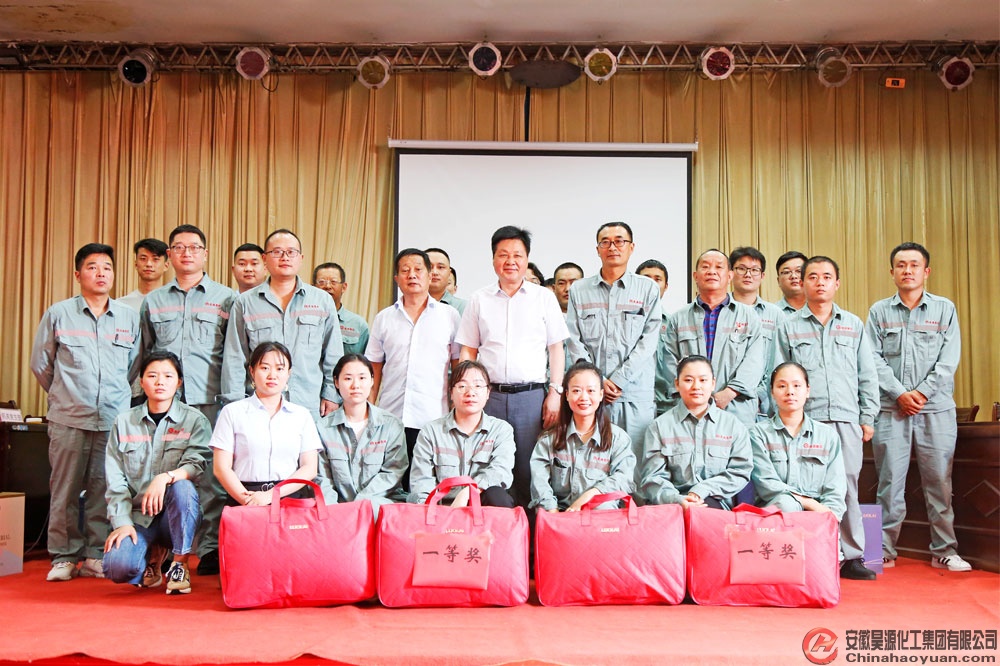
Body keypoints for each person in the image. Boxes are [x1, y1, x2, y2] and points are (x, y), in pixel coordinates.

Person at [30, 243, 141, 582]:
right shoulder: (59, 313)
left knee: (103, 488)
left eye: (107, 267)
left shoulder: (128, 317)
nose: (101, 273)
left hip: (111, 419)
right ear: (78, 274)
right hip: (69, 418)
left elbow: (134, 366)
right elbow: (41, 364)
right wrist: (65, 395)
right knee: (64, 489)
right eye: (92, 267)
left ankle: (94, 554)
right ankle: (64, 556)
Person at [866, 242, 970, 572]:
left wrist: (921, 394)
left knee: (939, 483)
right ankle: (880, 551)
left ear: (926, 271)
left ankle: (945, 550)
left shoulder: (944, 309)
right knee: (888, 483)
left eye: (914, 265)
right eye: (901, 265)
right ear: (892, 272)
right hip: (891, 410)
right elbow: (872, 359)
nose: (907, 270)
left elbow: (948, 361)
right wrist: (900, 394)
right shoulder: (878, 312)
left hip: (935, 410)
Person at [139, 224, 236, 576]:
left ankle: (208, 548)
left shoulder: (227, 299)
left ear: (205, 254)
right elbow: (144, 353)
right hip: (165, 404)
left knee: (209, 478)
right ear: (170, 255)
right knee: (163, 471)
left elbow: (233, 352)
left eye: (194, 247)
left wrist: (232, 400)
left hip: (210, 400)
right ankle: (165, 544)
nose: (187, 253)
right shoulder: (154, 301)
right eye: (179, 247)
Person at [774, 255, 879, 581]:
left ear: (837, 283)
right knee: (803, 487)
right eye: (813, 276)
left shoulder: (853, 324)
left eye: (827, 277)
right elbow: (777, 374)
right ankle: (810, 554)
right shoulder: (788, 326)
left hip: (846, 420)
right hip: (805, 421)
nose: (820, 282)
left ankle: (852, 556)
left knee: (846, 487)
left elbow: (867, 373)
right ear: (803, 282)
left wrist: (867, 416)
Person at [456, 226, 569, 508]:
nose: (510, 261)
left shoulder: (543, 298)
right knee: (487, 465)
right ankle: (497, 525)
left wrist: (555, 392)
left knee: (530, 468)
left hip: (531, 397)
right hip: (489, 397)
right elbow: (468, 349)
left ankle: (530, 529)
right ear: (493, 259)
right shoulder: (479, 299)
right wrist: (466, 390)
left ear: (527, 258)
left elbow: (556, 348)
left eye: (517, 255)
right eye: (503, 254)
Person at [103, 351, 211, 595]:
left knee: (183, 486)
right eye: (152, 376)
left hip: (177, 515)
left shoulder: (195, 420)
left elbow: (196, 464)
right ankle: (153, 556)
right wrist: (121, 523)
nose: (160, 382)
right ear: (141, 382)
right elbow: (115, 480)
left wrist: (165, 477)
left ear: (179, 382)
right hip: (138, 516)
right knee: (117, 567)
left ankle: (179, 564)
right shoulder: (124, 422)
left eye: (168, 376)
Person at [222, 228, 344, 418]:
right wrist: (235, 404)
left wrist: (332, 395)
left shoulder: (322, 300)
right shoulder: (245, 303)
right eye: (277, 252)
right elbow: (235, 357)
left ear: (301, 258)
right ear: (265, 258)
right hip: (259, 406)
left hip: (309, 405)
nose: (285, 257)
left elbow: (333, 353)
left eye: (291, 252)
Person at [365, 249, 460, 491]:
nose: (412, 275)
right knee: (389, 486)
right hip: (390, 416)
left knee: (425, 487)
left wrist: (456, 410)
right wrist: (368, 411)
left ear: (429, 276)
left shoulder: (449, 316)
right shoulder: (384, 318)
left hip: (432, 417)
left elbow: (458, 368)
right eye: (405, 270)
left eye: (418, 270)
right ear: (397, 278)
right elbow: (373, 370)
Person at [566, 222, 661, 457]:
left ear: (631, 247)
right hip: (591, 396)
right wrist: (597, 381)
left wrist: (618, 380)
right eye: (605, 242)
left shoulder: (648, 289)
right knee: (592, 459)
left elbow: (648, 341)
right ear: (597, 249)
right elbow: (574, 340)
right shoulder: (579, 290)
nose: (613, 247)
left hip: (634, 394)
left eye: (619, 241)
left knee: (636, 462)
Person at [662, 249, 766, 426]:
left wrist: (729, 393)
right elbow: (669, 363)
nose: (712, 271)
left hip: (736, 408)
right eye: (705, 267)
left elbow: (754, 363)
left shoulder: (749, 317)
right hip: (689, 407)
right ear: (695, 276)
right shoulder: (678, 318)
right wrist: (694, 396)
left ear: (730, 275)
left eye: (719, 267)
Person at [212, 342, 321, 507]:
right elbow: (221, 468)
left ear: (289, 373)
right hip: (244, 498)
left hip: (289, 499)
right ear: (252, 371)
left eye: (280, 369)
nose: (272, 375)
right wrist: (250, 502)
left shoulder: (301, 415)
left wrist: (270, 496)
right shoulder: (232, 412)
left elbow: (310, 467)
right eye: (265, 368)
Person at [640, 355, 752, 509]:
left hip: (715, 503)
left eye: (703, 380)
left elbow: (740, 471)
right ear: (677, 384)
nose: (696, 386)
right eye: (688, 380)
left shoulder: (733, 426)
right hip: (671, 506)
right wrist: (677, 499)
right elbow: (653, 478)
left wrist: (702, 490)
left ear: (713, 383)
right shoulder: (659, 427)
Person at [530, 361, 635, 513]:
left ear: (601, 395)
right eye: (577, 390)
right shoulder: (548, 440)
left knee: (603, 506)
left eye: (591, 391)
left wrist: (591, 495)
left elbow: (624, 478)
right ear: (567, 395)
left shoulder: (618, 439)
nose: (584, 397)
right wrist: (554, 513)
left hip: (600, 517)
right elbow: (539, 484)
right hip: (560, 515)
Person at [408, 360, 515, 507]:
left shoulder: (501, 430)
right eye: (462, 386)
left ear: (488, 393)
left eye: (478, 386)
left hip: (481, 508)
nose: (470, 393)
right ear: (451, 393)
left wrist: (467, 492)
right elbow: (421, 482)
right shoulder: (431, 432)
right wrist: (432, 511)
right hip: (441, 510)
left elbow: (500, 472)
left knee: (497, 495)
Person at [749, 362, 846, 519]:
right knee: (786, 504)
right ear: (772, 392)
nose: (790, 392)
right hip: (774, 518)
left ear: (807, 390)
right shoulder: (758, 434)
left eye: (797, 386)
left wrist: (828, 516)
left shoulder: (827, 436)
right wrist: (807, 502)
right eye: (782, 386)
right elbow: (766, 483)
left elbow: (835, 489)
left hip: (816, 518)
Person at [316, 354, 407, 513]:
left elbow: (392, 473)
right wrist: (334, 514)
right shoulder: (323, 428)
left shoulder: (391, 426)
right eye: (348, 378)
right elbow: (323, 479)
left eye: (362, 378)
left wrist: (359, 506)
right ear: (336, 382)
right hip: (337, 512)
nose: (355, 385)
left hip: (380, 510)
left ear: (372, 381)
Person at [729, 246, 783, 419]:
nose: (748, 275)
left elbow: (779, 361)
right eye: (741, 269)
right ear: (730, 273)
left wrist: (761, 394)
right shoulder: (721, 311)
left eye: (754, 270)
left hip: (765, 406)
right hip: (725, 401)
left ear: (763, 275)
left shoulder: (776, 315)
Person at [636, 259, 671, 416]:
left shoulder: (674, 324)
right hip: (633, 401)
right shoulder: (621, 322)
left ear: (666, 286)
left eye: (657, 279)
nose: (652, 284)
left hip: (666, 403)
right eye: (646, 278)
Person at [312, 262, 370, 356]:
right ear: (313, 287)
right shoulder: (302, 320)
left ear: (344, 287)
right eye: (321, 282)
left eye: (333, 282)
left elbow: (366, 361)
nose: (328, 286)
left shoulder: (358, 325)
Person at [118, 238, 169, 312]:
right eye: (143, 259)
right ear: (136, 264)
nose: (149, 264)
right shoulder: (122, 305)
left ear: (166, 266)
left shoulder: (176, 304)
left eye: (155, 259)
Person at [426, 247, 466, 316]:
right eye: (429, 267)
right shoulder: (408, 305)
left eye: (440, 267)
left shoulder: (464, 307)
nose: (434, 272)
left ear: (449, 273)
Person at [774, 250, 808, 316]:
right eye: (786, 272)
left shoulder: (822, 309)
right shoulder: (772, 312)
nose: (794, 276)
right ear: (778, 281)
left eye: (799, 271)